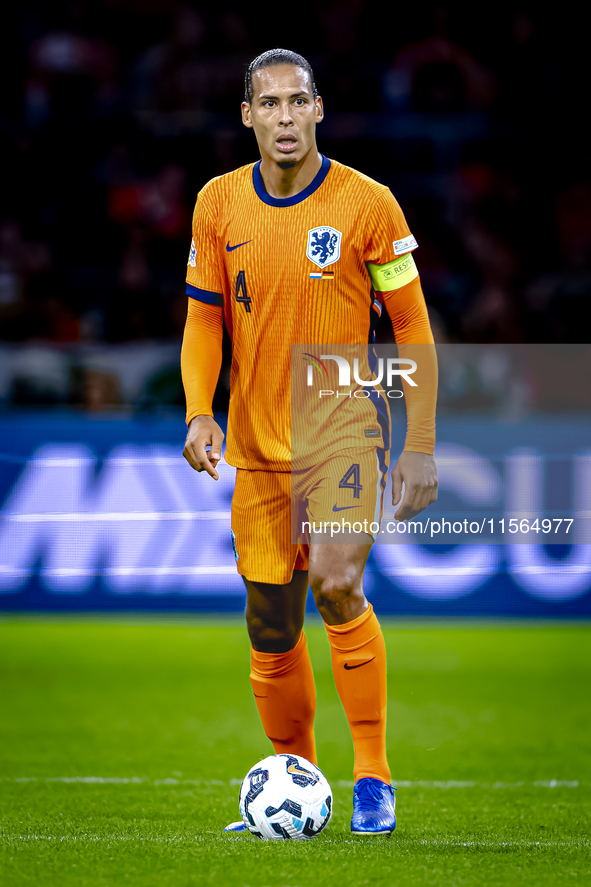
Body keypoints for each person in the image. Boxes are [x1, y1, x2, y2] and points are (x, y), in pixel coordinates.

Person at [181, 48, 438, 836]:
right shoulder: (218, 204)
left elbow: (412, 328)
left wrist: (419, 442)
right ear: (247, 115)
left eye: (299, 102)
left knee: (335, 586)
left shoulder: (368, 204)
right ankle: (297, 773)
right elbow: (204, 318)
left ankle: (371, 777)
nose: (286, 118)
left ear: (319, 109)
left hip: (343, 430)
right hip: (258, 446)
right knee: (270, 623)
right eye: (271, 104)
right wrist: (198, 409)